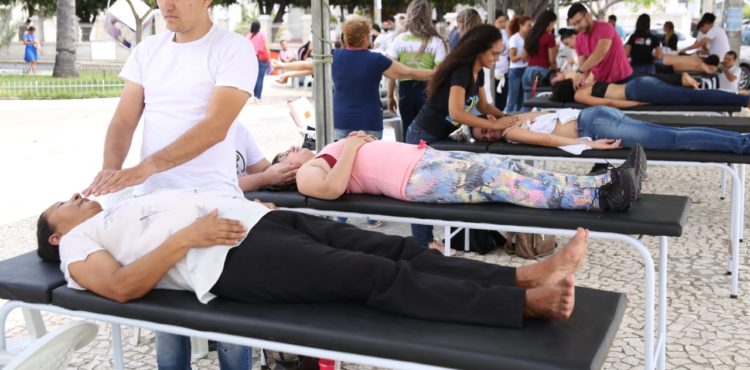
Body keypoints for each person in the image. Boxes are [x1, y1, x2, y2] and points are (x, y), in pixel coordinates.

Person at [38, 190, 592, 330]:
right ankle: (519, 307)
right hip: (231, 257)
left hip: (258, 221)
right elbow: (121, 288)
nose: (77, 196)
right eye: (64, 203)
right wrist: (191, 235)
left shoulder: (109, 210)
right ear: (57, 236)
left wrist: (239, 205)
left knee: (399, 248)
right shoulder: (80, 248)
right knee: (376, 276)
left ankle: (523, 273)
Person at [79, 0, 259, 365]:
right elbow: (123, 121)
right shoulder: (147, 51)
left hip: (215, 200)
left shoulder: (232, 48)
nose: (167, 5)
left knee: (228, 320)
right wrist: (110, 172)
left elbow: (214, 128)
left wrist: (145, 168)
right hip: (155, 204)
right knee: (167, 319)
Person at [276, 132, 644, 212]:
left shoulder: (323, 154)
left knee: (509, 166)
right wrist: (353, 146)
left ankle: (602, 181)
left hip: (422, 161)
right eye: (285, 154)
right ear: (286, 169)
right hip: (415, 179)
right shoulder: (308, 172)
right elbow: (334, 190)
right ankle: (598, 200)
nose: (294, 148)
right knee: (501, 182)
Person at [403, 24, 526, 251]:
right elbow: (456, 112)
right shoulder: (461, 70)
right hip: (421, 135)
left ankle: (427, 242)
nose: (498, 59)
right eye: (494, 53)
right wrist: (493, 123)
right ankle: (422, 245)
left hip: (436, 136)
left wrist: (509, 117)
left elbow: (484, 105)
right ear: (479, 50)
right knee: (421, 192)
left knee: (430, 189)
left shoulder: (476, 72)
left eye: (500, 53)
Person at [470, 105, 750, 155]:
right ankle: (741, 140)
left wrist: (590, 144)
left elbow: (547, 139)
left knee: (673, 139)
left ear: (486, 121)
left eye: (484, 129)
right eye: (484, 137)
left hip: (592, 123)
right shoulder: (515, 121)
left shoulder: (510, 129)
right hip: (595, 116)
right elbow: (548, 120)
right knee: (673, 133)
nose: (489, 134)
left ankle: (741, 144)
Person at [386, 0, 447, 138]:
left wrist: (390, 96)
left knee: (407, 128)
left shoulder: (398, 39)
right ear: (428, 15)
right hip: (428, 90)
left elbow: (391, 72)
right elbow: (439, 75)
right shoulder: (437, 41)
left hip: (404, 90)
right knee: (427, 131)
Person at [549, 72, 750, 108]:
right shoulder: (584, 84)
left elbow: (608, 102)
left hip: (636, 93)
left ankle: (742, 101)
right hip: (638, 83)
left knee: (691, 97)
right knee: (690, 96)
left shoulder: (579, 94)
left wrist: (634, 104)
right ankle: (740, 99)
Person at [568, 2, 632, 87]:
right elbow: (584, 67)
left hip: (622, 78)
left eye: (579, 22)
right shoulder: (579, 39)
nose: (577, 27)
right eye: (574, 25)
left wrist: (580, 71)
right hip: (600, 81)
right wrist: (580, 79)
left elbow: (600, 54)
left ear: (588, 16)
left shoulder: (606, 27)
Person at [522, 11, 558, 100]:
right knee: (540, 104)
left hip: (527, 72)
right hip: (541, 73)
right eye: (554, 23)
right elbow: (552, 60)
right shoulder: (549, 37)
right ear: (549, 23)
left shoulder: (530, 35)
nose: (553, 26)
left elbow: (523, 56)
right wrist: (555, 71)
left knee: (528, 104)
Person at [506, 15, 532, 113]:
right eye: (528, 25)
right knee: (513, 100)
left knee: (521, 101)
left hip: (525, 69)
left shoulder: (528, 38)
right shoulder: (514, 38)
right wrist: (522, 55)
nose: (530, 28)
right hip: (516, 71)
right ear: (521, 25)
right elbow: (512, 58)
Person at [247, 21, 270, 102]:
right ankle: (258, 97)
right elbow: (266, 48)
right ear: (259, 27)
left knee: (253, 78)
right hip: (261, 58)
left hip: (251, 58)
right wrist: (269, 59)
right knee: (260, 78)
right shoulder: (262, 35)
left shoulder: (248, 36)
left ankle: (254, 96)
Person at [493, 11, 511, 112]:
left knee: (503, 101)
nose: (503, 24)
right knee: (496, 101)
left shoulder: (504, 33)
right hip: (494, 73)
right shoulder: (490, 34)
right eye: (500, 22)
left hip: (504, 72)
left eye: (504, 21)